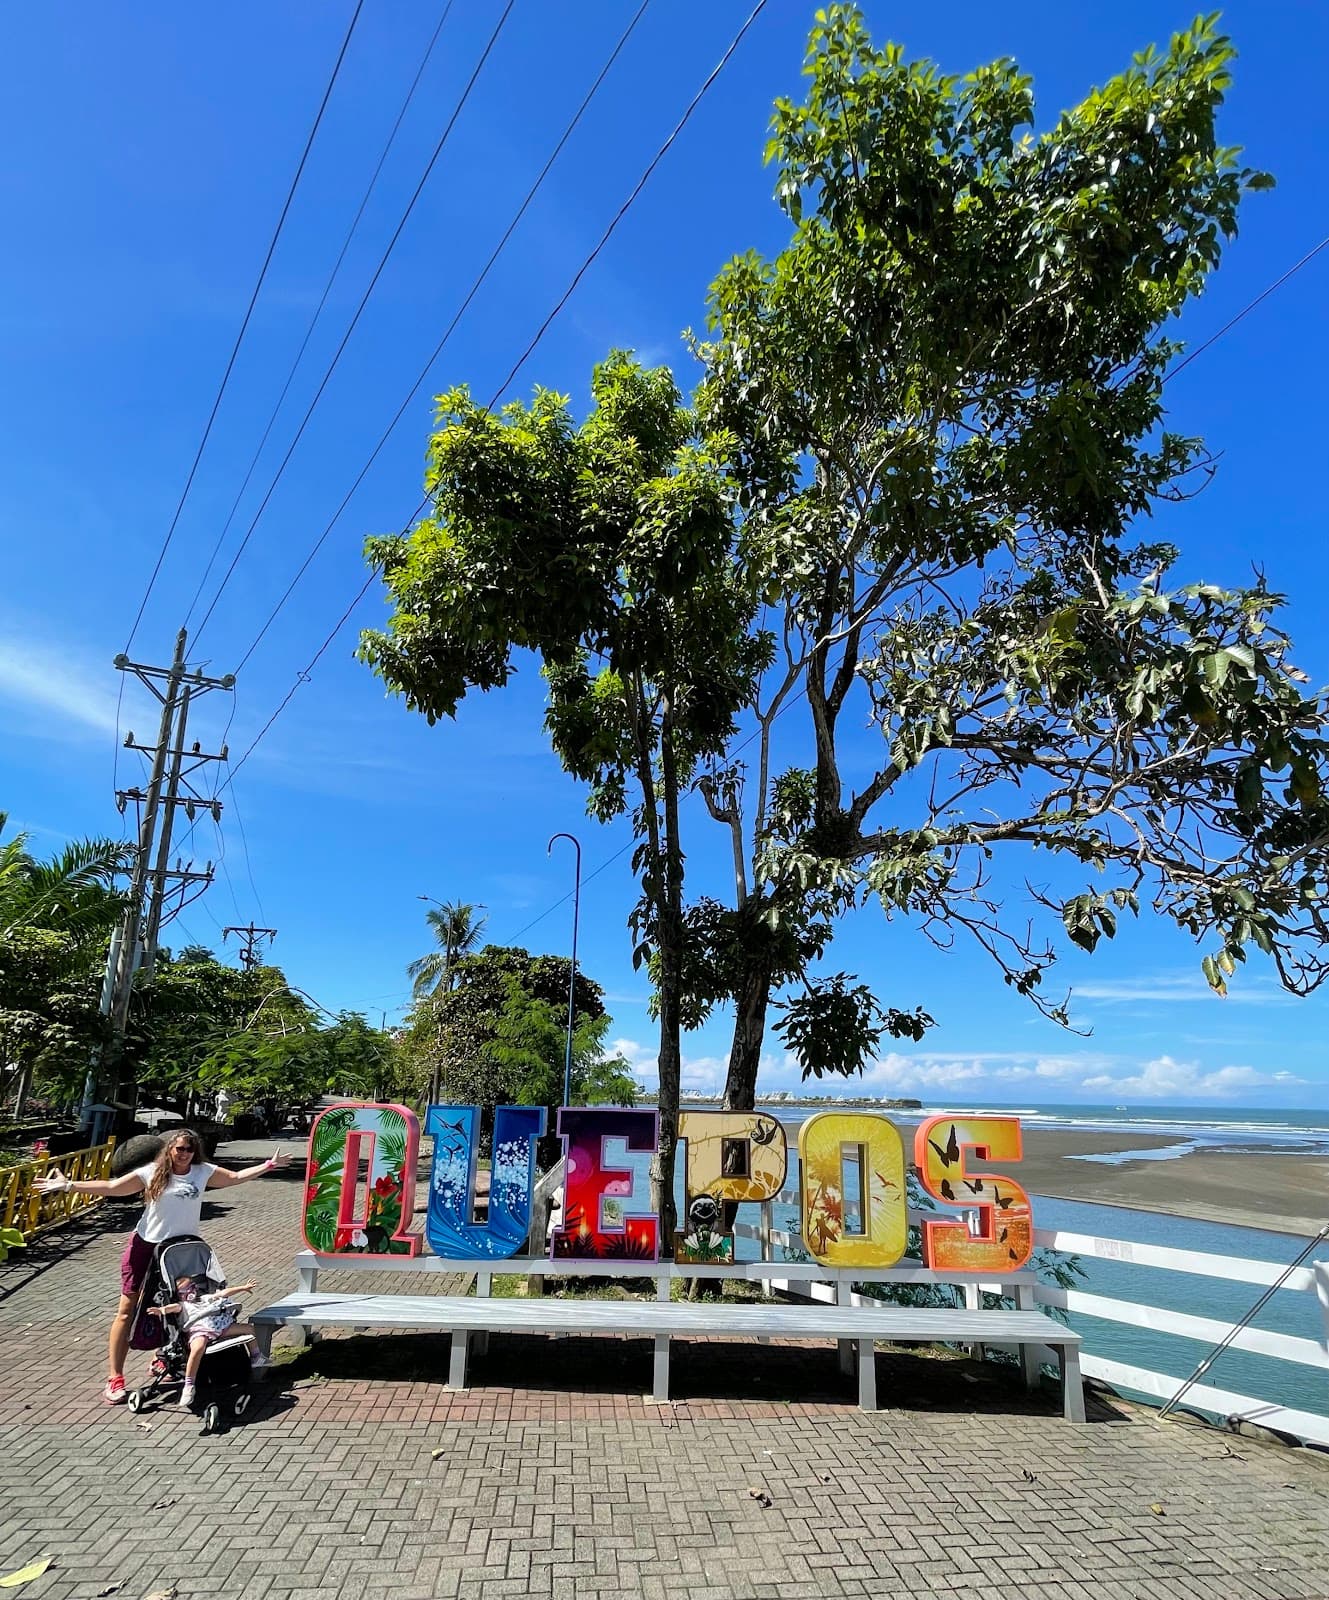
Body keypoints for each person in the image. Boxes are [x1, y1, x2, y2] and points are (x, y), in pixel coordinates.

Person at [32, 1129, 287, 1404]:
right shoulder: (152, 1172)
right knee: (127, 1309)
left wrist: (268, 1165)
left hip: (181, 1251)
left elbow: (235, 1178)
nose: (184, 1153)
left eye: (189, 1148)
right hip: (146, 1248)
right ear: (169, 1149)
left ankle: (164, 1359)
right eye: (179, 1148)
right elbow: (112, 1187)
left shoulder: (202, 1172)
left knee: (178, 1307)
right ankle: (115, 1376)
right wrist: (69, 1186)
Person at [147, 1273, 259, 1410]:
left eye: (192, 1287)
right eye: (186, 1290)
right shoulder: (183, 1305)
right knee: (198, 1348)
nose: (191, 1291)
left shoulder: (205, 1298)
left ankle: (256, 1357)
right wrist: (160, 1310)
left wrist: (243, 1288)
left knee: (249, 1329)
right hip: (199, 1331)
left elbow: (223, 1293)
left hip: (219, 1327)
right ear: (179, 1294)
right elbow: (171, 1308)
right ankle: (189, 1385)